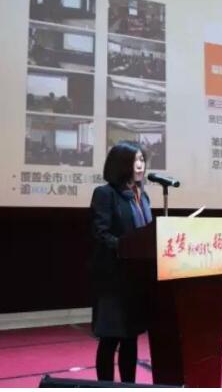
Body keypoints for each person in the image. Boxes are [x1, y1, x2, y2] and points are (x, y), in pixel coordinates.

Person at [90, 141, 153, 383]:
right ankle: (105, 386)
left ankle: (129, 386)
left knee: (130, 337)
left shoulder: (142, 196)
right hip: (113, 279)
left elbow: (146, 233)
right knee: (110, 338)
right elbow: (101, 233)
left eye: (142, 160)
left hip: (137, 278)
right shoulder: (105, 194)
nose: (140, 165)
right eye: (134, 160)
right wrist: (127, 247)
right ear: (120, 164)